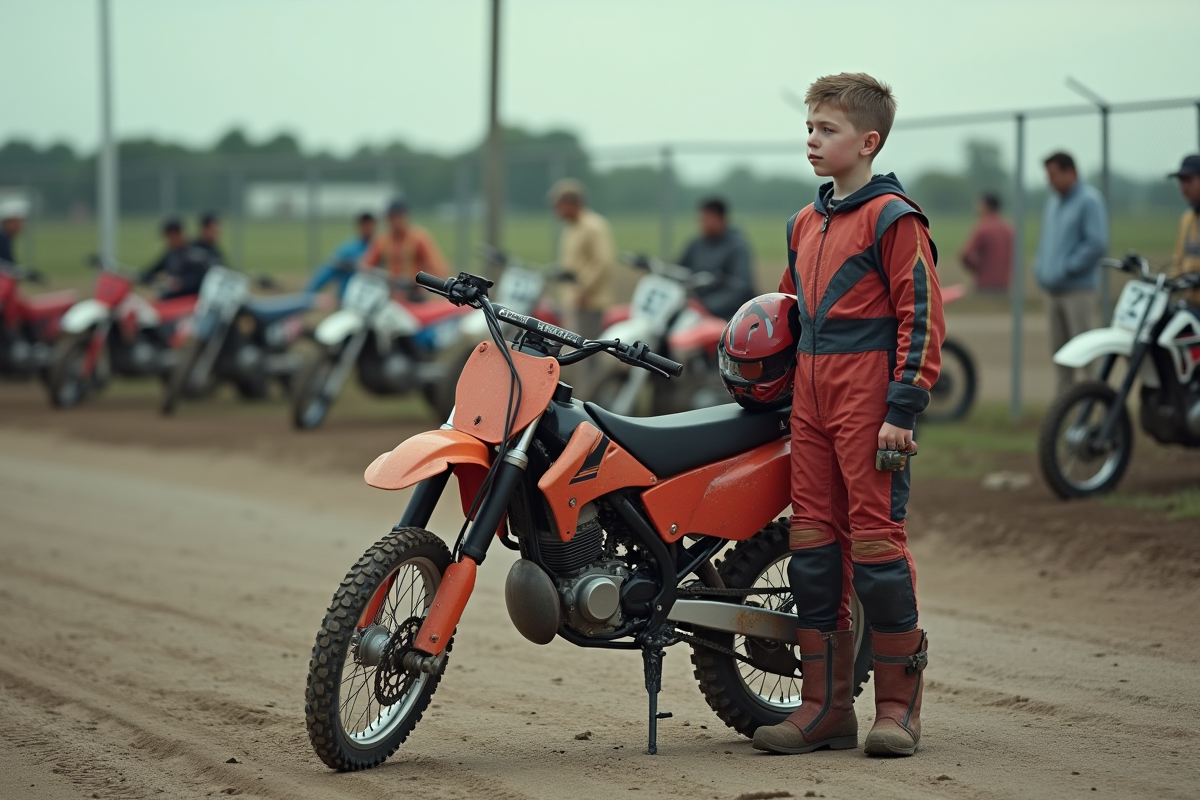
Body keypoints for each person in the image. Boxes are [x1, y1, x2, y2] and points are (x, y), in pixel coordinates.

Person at [750, 72, 944, 758]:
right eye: (809, 127)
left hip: (870, 401)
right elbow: (785, 316)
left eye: (826, 130)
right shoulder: (804, 222)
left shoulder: (895, 219)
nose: (812, 140)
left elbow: (920, 316)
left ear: (868, 141)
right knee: (810, 550)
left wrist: (903, 406)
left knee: (876, 551)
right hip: (809, 397)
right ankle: (824, 710)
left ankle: (897, 709)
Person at [1033, 151, 1108, 396]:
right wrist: (1042, 267)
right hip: (1054, 292)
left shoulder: (1089, 200)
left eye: (1053, 175)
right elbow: (1047, 241)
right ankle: (1065, 417)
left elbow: (1096, 243)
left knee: (1086, 357)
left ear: (1071, 173)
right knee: (1061, 357)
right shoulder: (1053, 202)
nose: (1049, 180)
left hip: (1078, 292)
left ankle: (1097, 416)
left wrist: (1066, 268)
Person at [549, 179, 615, 339]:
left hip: (590, 302)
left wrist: (583, 290)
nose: (556, 210)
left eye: (558, 205)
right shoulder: (572, 227)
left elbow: (603, 262)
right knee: (576, 350)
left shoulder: (594, 226)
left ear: (571, 204)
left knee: (588, 348)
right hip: (574, 301)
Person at [676, 197, 756, 319]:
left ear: (721, 219)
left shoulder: (737, 247)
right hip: (695, 310)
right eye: (701, 219)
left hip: (727, 316)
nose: (702, 223)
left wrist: (706, 306)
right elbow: (680, 271)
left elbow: (741, 289)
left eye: (706, 219)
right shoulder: (696, 245)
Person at [361, 199, 449, 293]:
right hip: (390, 292)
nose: (395, 221)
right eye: (392, 217)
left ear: (406, 216)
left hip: (414, 292)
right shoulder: (382, 240)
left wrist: (424, 286)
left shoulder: (418, 238)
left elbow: (438, 268)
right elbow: (366, 266)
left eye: (399, 216)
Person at [306, 212, 377, 301]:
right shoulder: (348, 250)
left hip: (373, 300)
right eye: (364, 224)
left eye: (369, 224)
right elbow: (327, 271)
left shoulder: (380, 247)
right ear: (358, 226)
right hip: (348, 300)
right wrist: (308, 294)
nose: (367, 228)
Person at [140, 218, 215, 300]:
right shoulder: (170, 254)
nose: (170, 240)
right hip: (174, 298)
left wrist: (182, 283)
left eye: (172, 236)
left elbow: (204, 277)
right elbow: (151, 272)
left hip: (193, 299)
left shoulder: (196, 252)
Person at [959, 192, 1013, 294]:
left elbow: (965, 255)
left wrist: (978, 269)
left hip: (985, 284)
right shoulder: (1009, 229)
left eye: (979, 205)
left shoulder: (983, 228)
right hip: (1005, 284)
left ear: (987, 207)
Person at [1168, 154, 1200, 306]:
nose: (1183, 187)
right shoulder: (1187, 219)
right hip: (1190, 303)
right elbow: (1178, 260)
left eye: (1189, 180)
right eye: (1181, 181)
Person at [0, 196, 29, 268]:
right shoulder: (2, 240)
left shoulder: (6, 238)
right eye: (17, 222)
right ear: (6, 222)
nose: (21, 225)